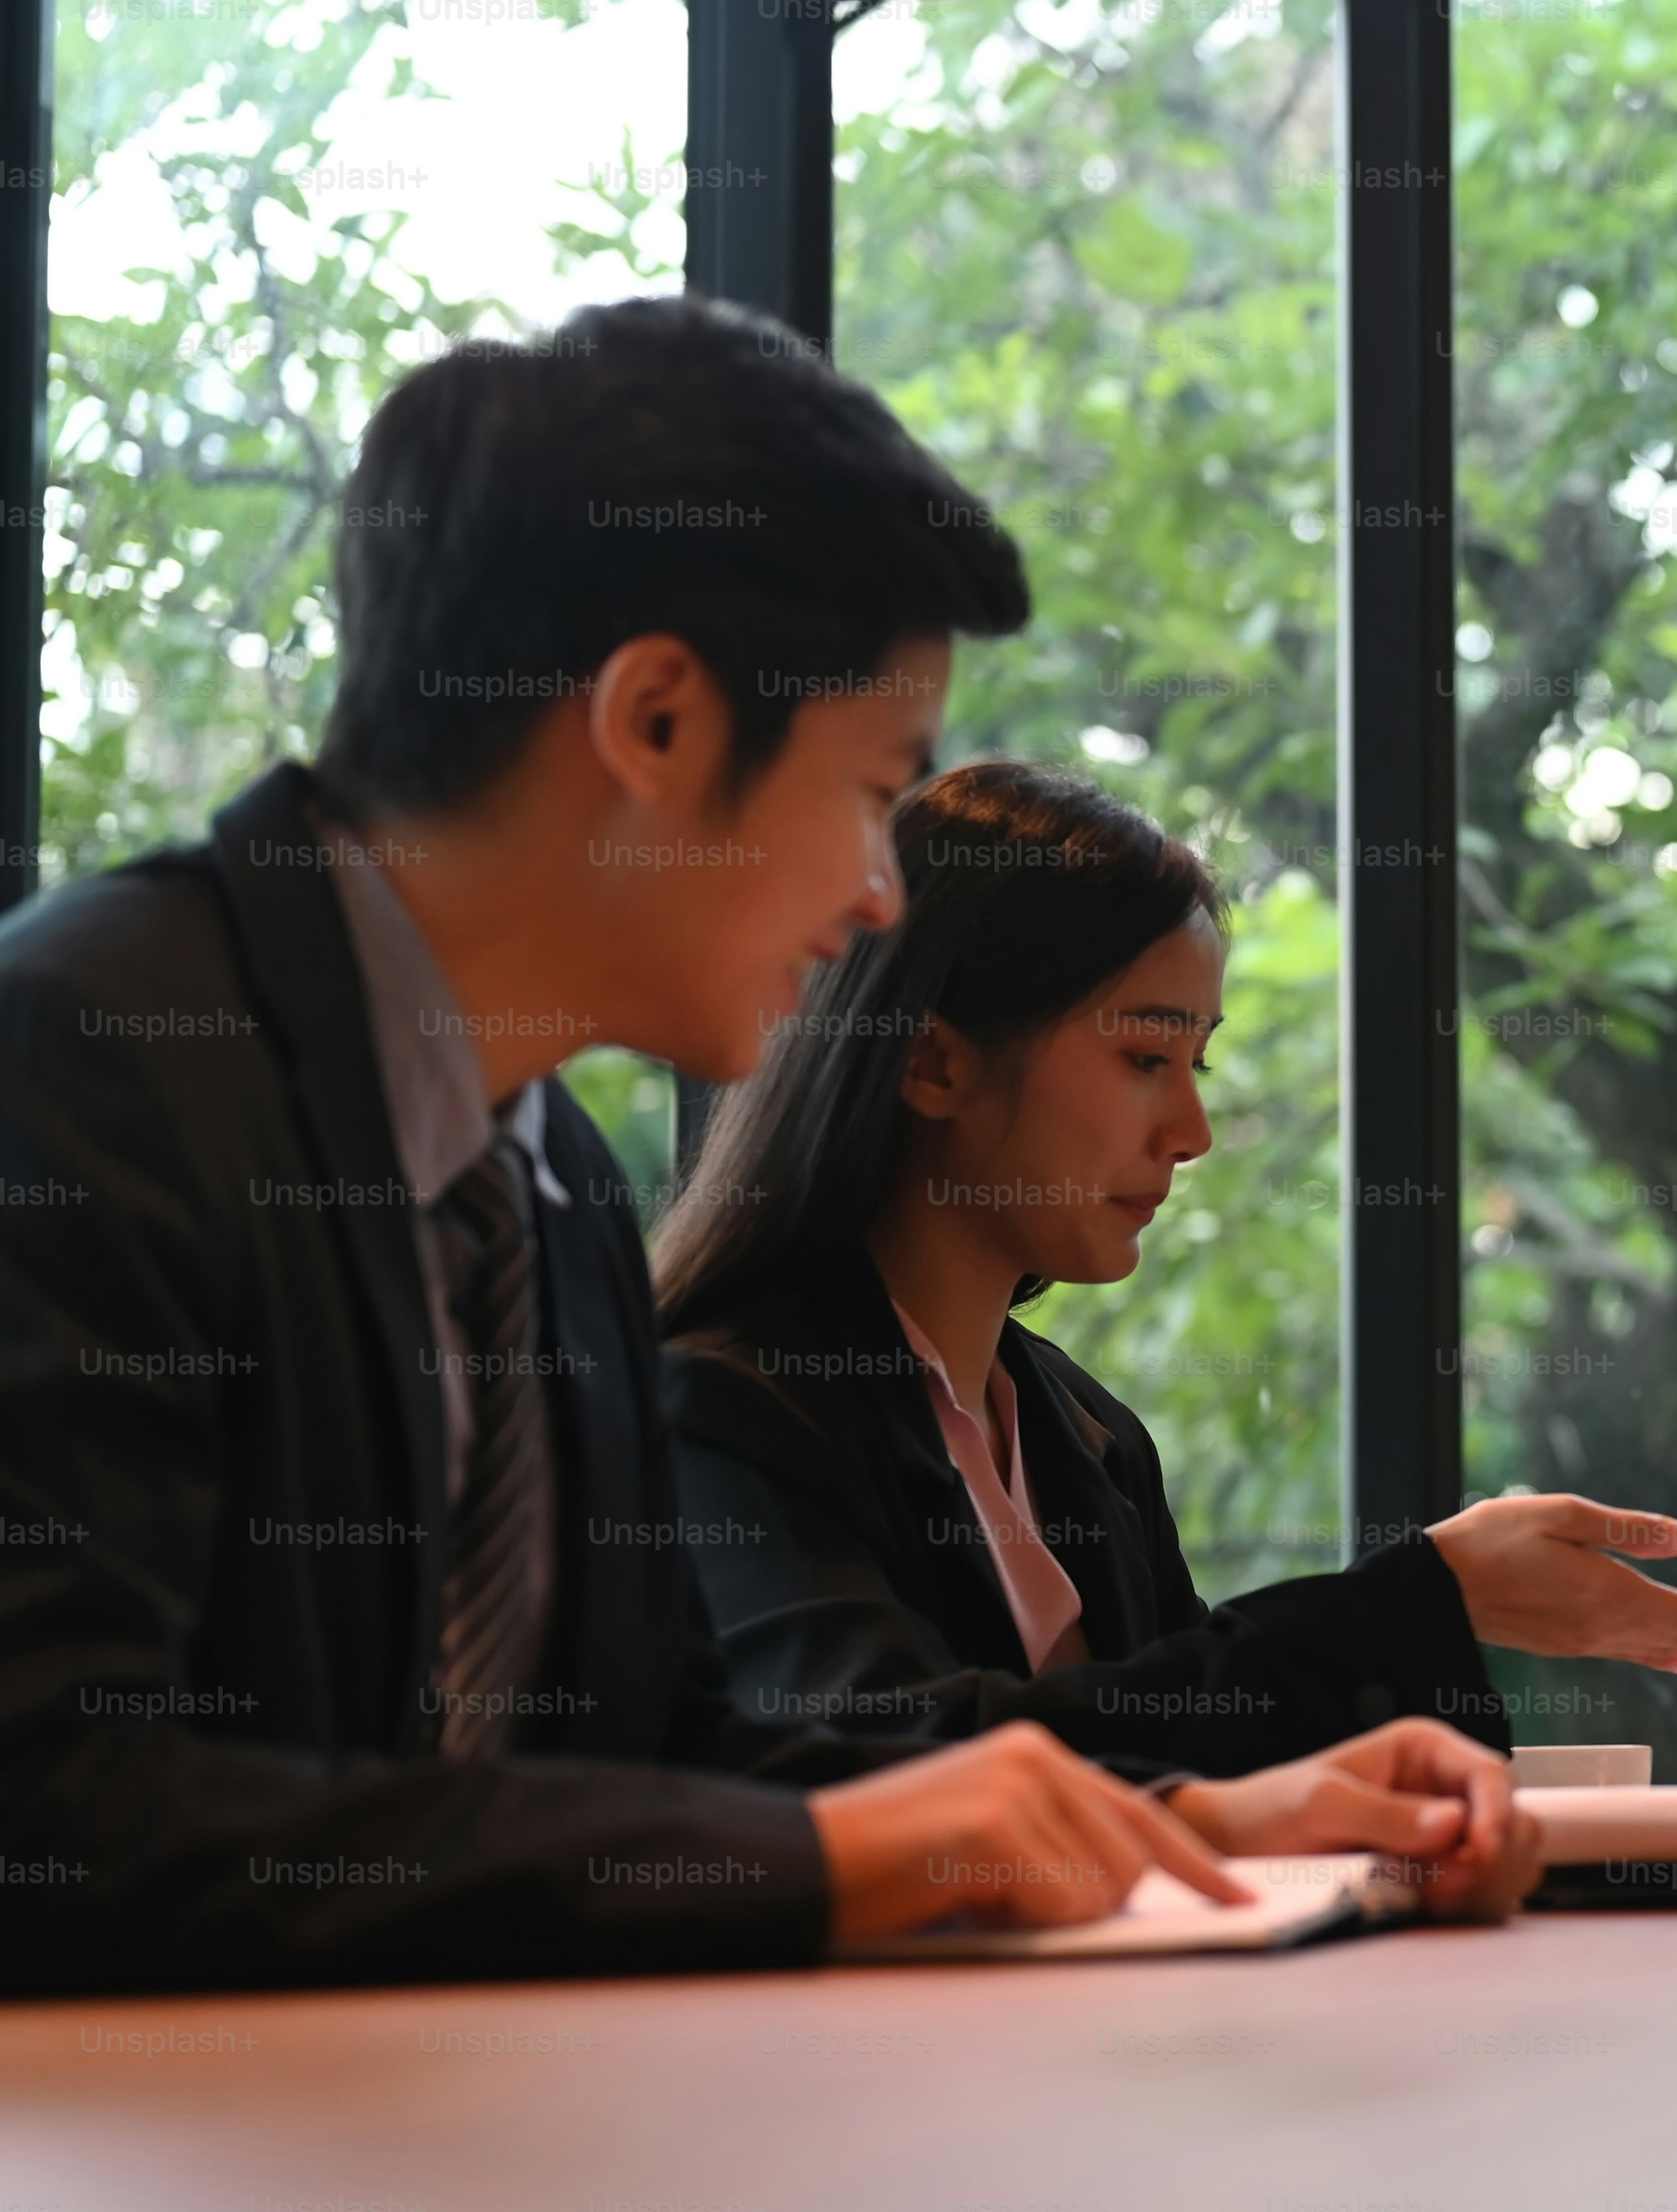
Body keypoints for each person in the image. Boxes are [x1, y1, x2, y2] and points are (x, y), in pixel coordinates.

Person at [0, 298, 1527, 1994]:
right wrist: (837, 1852)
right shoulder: (87, 1061)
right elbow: (58, 1816)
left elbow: (666, 1767)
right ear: (654, 722)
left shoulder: (550, 1178)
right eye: (878, 788)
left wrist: (1196, 1820)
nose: (883, 893)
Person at [652, 760, 1677, 1811]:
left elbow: (1190, 1763)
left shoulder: (1086, 1437)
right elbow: (898, 1771)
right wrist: (1415, 1604)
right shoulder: (724, 1413)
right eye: (1146, 1058)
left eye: (1200, 1064)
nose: (1192, 1132)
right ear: (933, 1062)